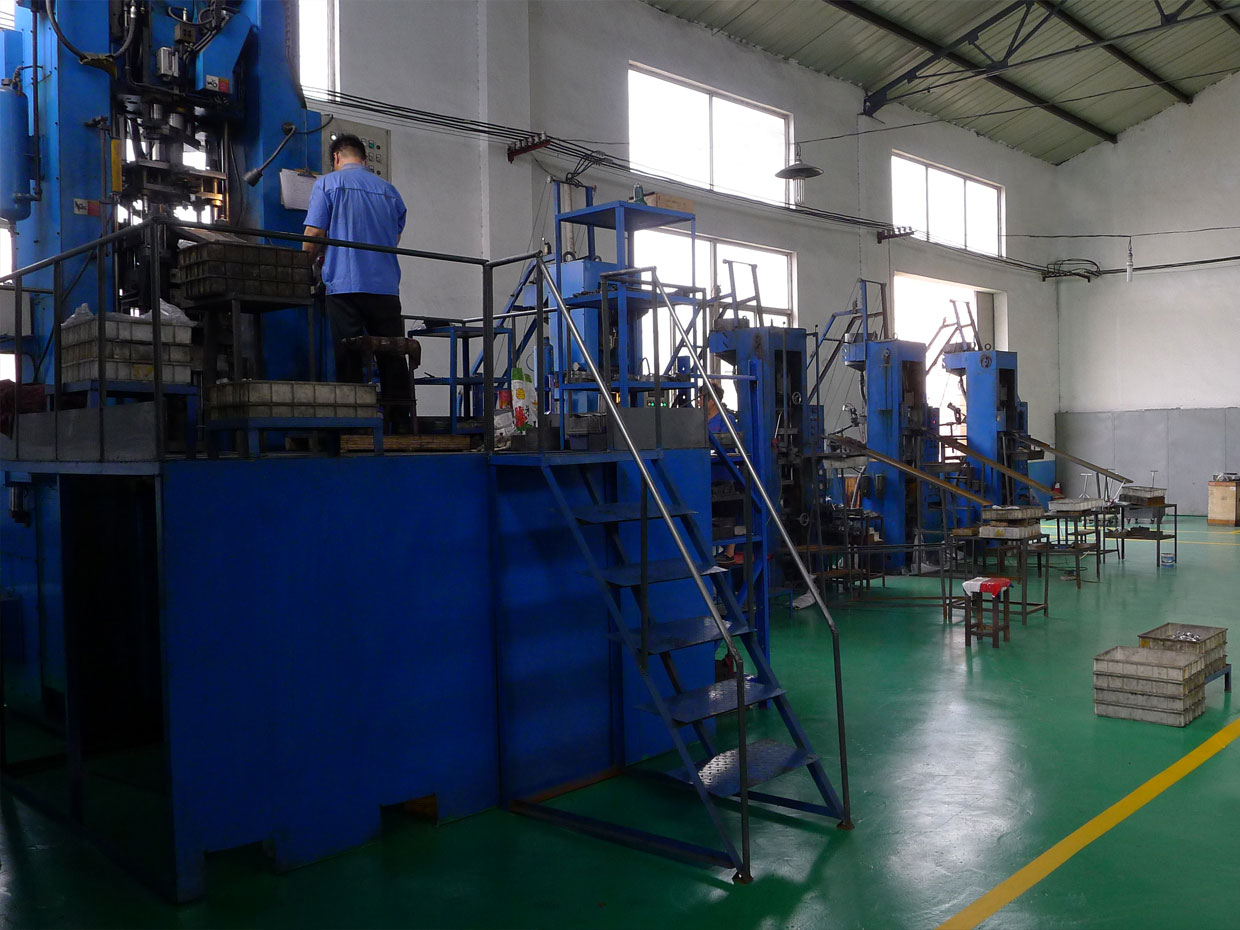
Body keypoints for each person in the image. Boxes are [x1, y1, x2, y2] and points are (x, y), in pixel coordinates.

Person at [304, 133, 411, 431]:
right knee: (392, 355)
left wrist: (302, 268)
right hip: (385, 288)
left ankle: (354, 428)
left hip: (345, 286)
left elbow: (314, 233)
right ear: (363, 159)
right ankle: (400, 425)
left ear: (336, 157)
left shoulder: (327, 184)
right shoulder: (390, 192)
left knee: (349, 355)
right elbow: (394, 237)